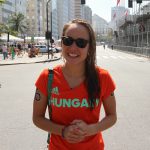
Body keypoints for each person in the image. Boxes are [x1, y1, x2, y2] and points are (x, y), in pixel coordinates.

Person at [33, 19, 117, 150]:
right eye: (68, 40)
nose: (73, 48)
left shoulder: (103, 77)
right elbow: (37, 118)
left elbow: (112, 116)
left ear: (90, 47)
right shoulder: (47, 77)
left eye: (81, 43)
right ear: (61, 43)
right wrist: (63, 131)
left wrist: (91, 129)